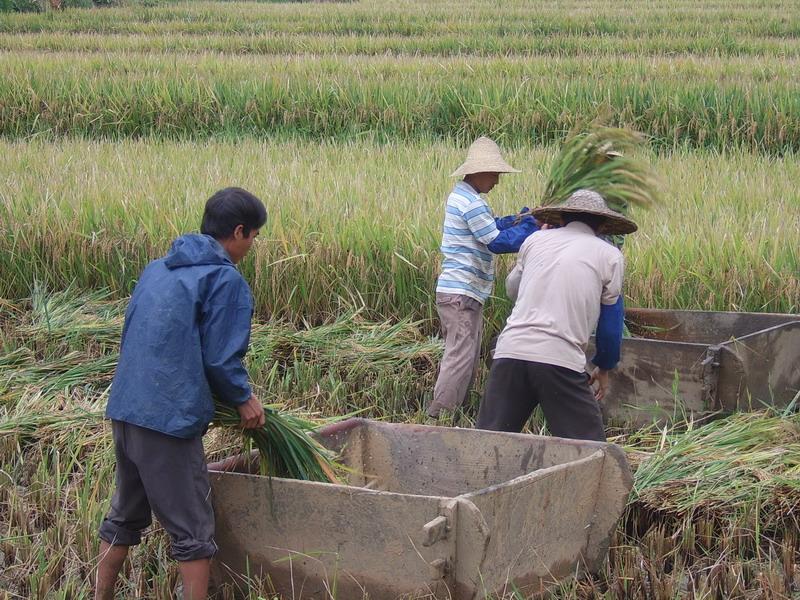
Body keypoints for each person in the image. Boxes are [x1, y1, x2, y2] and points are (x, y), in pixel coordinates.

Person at [94, 187, 268, 600]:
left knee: (125, 514)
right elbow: (221, 359)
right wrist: (244, 398)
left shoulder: (157, 268)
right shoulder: (224, 279)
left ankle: (98, 596)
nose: (252, 246)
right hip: (167, 420)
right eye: (254, 236)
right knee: (193, 528)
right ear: (239, 232)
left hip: (126, 407)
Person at [476, 189, 636, 441]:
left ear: (562, 217)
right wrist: (604, 365)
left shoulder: (535, 241)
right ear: (604, 226)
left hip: (510, 352)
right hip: (559, 359)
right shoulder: (610, 255)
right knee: (590, 449)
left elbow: (512, 290)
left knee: (488, 443)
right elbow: (611, 325)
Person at [427, 136, 539, 419]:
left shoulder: (465, 198)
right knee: (460, 359)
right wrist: (533, 230)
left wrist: (519, 219)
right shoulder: (470, 202)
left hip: (464, 293)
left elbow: (494, 226)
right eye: (496, 174)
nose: (497, 181)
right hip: (461, 294)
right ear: (480, 172)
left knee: (464, 356)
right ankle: (439, 417)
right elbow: (496, 242)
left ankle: (450, 414)